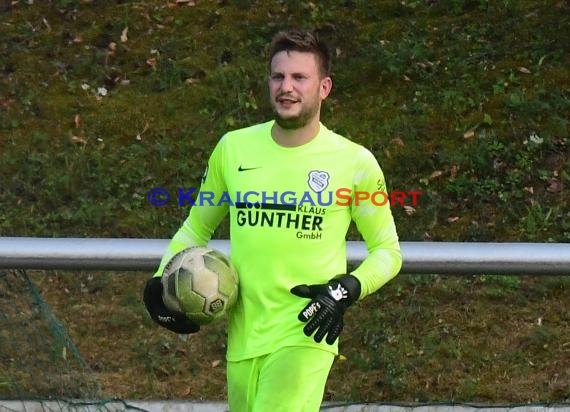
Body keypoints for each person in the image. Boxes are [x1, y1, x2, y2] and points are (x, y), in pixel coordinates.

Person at [143, 29, 402, 412]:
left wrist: (346, 289)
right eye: (279, 76)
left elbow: (388, 251)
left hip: (304, 333)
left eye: (300, 78)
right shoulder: (233, 149)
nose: (287, 87)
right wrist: (159, 285)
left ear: (324, 87)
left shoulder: (354, 162)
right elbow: (196, 228)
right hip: (243, 336)